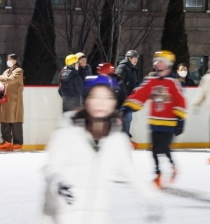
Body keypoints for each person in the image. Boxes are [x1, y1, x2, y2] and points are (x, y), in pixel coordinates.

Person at [44, 75, 158, 223]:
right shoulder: (67, 132)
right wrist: (59, 182)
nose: (101, 103)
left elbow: (130, 174)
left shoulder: (116, 140)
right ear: (87, 100)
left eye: (107, 97)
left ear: (114, 102)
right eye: (95, 96)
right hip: (65, 215)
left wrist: (150, 199)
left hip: (98, 216)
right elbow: (52, 166)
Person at [122, 50, 186, 187]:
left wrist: (181, 120)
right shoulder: (151, 81)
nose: (157, 64)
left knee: (162, 148)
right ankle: (158, 173)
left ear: (168, 64)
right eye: (156, 61)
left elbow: (180, 101)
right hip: (154, 122)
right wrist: (127, 107)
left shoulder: (173, 82)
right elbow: (139, 94)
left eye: (161, 62)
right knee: (155, 150)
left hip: (169, 123)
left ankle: (170, 168)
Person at [0, 54, 23, 152]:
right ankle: (6, 141)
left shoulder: (18, 71)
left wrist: (0, 78)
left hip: (14, 100)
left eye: (10, 59)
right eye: (7, 59)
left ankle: (17, 143)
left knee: (15, 121)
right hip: (5, 99)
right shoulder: (6, 71)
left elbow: (12, 80)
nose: (8, 61)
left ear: (15, 61)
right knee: (4, 120)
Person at [115, 50, 140, 147]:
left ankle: (125, 138)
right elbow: (119, 83)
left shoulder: (131, 68)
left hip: (129, 98)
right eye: (135, 58)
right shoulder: (122, 67)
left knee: (128, 119)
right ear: (129, 58)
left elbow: (132, 82)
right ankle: (122, 140)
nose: (136, 60)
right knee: (125, 119)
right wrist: (125, 95)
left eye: (137, 58)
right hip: (122, 98)